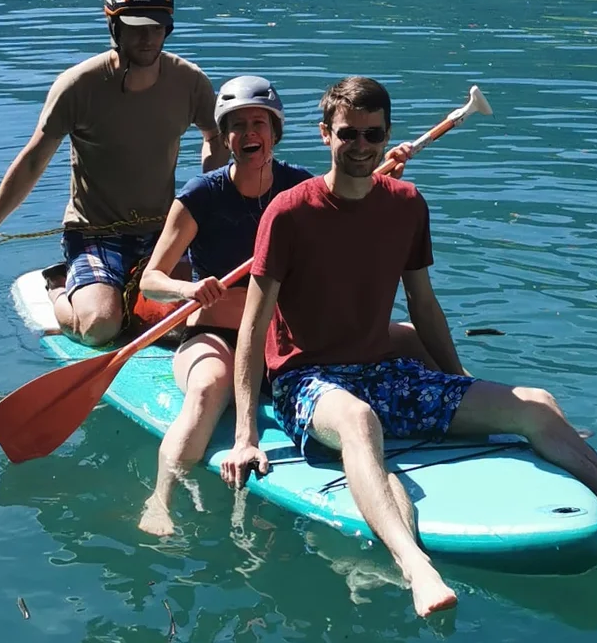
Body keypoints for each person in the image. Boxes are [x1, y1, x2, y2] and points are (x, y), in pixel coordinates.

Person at [224, 76, 597, 619]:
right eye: (347, 134)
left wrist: (462, 386)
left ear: (388, 135)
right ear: (324, 134)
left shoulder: (405, 204)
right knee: (359, 421)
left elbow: (424, 305)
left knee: (536, 403)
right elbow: (253, 326)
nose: (361, 147)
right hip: (307, 379)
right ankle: (414, 565)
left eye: (372, 135)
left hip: (382, 371)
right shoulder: (289, 212)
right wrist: (245, 436)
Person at [134, 76, 442, 538]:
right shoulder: (201, 196)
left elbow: (349, 196)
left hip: (289, 342)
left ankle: (470, 407)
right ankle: (161, 499)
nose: (249, 133)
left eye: (259, 123)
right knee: (207, 391)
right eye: (237, 126)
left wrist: (378, 177)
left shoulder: (299, 186)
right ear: (225, 137)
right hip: (219, 336)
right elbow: (151, 280)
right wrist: (188, 290)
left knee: (414, 339)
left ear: (275, 132)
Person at [0, 0, 221, 344]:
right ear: (114, 26)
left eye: (156, 27)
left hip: (163, 231)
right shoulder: (78, 86)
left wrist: (207, 207)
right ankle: (59, 286)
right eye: (135, 27)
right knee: (99, 327)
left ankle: (127, 292)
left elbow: (215, 137)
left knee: (184, 323)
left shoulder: (189, 82)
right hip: (95, 232)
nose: (147, 38)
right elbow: (33, 161)